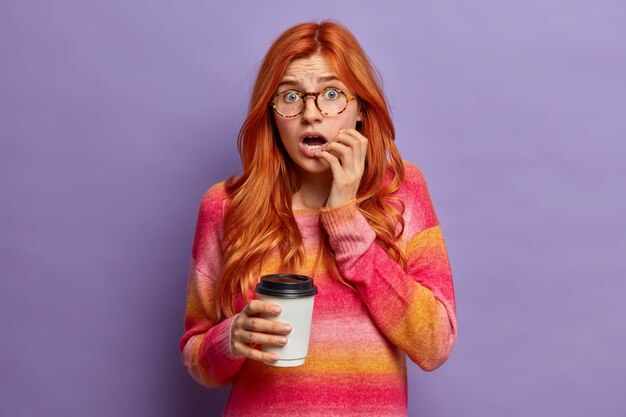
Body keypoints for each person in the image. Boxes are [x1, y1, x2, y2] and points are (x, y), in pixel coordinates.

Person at [180, 20, 457, 416]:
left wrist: (345, 219)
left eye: (331, 94)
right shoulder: (225, 206)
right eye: (291, 96)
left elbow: (435, 344)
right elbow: (196, 352)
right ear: (272, 113)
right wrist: (231, 338)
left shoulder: (402, 192)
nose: (311, 114)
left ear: (360, 107)